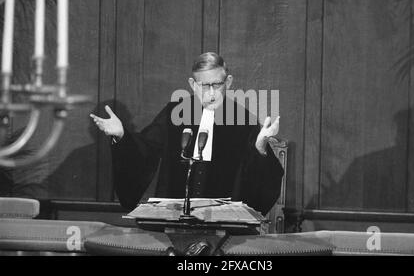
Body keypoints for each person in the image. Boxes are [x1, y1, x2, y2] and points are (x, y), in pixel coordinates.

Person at [90, 52, 284, 215]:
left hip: (224, 220)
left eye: (216, 84)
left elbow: (263, 184)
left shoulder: (244, 120)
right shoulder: (176, 112)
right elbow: (145, 148)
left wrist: (260, 148)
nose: (211, 93)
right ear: (192, 84)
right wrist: (122, 135)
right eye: (203, 85)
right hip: (175, 215)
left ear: (229, 82)